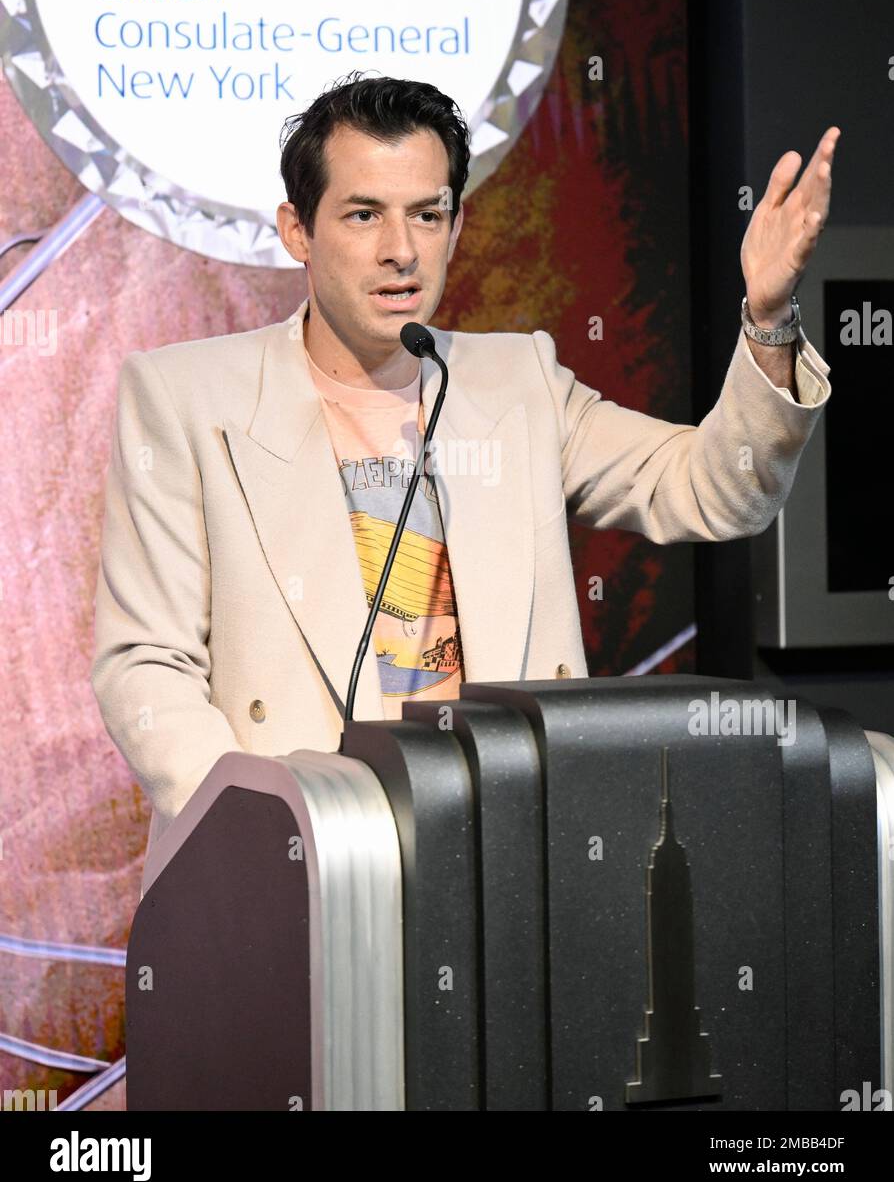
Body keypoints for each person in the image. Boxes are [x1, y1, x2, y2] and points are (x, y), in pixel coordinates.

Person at [90, 71, 836, 867]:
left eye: (427, 214)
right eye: (364, 215)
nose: (401, 250)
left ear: (456, 226)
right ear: (297, 231)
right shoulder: (187, 396)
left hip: (508, 859)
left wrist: (767, 320)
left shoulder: (518, 383)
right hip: (298, 861)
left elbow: (719, 490)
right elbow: (146, 666)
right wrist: (265, 833)